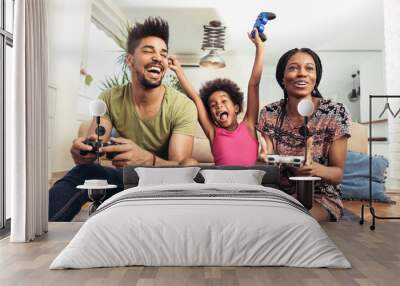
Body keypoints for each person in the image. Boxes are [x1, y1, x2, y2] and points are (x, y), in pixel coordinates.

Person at [49, 17, 198, 221]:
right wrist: (85, 151)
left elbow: (182, 168)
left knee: (189, 165)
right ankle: (35, 231)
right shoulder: (110, 98)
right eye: (148, 51)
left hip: (164, 184)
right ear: (130, 60)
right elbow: (97, 139)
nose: (158, 58)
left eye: (163, 54)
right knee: (84, 171)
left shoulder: (182, 105)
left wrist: (147, 160)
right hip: (125, 180)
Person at [257, 48, 351, 222]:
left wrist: (315, 169)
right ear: (283, 79)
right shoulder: (269, 113)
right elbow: (267, 159)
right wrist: (263, 161)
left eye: (309, 68)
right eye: (293, 68)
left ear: (316, 79)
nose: (302, 73)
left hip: (320, 197)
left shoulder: (335, 112)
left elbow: (338, 175)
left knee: (293, 219)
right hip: (278, 195)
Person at [168, 29, 264, 166]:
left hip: (248, 184)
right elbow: (196, 98)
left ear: (236, 107)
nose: (218, 105)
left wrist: (259, 47)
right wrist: (178, 71)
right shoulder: (213, 132)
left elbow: (253, 85)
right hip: (220, 185)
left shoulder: (248, 125)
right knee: (189, 163)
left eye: (224, 101)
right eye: (213, 105)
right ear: (212, 115)